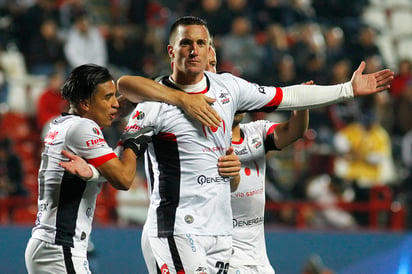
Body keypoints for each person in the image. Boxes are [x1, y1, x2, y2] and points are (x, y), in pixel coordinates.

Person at [115, 16, 393, 273]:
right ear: (171, 51)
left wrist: (347, 89)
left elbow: (289, 95)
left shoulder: (228, 88)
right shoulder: (153, 104)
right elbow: (125, 85)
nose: (194, 50)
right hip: (177, 227)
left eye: (201, 43)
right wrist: (183, 99)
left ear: (210, 49)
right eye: (185, 43)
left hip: (221, 233)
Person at [24, 64, 153, 274]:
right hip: (60, 248)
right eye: (107, 97)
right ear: (85, 103)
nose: (115, 104)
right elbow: (123, 179)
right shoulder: (83, 128)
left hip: (50, 245)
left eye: (115, 96)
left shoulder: (62, 123)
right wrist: (132, 138)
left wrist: (93, 173)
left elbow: (103, 167)